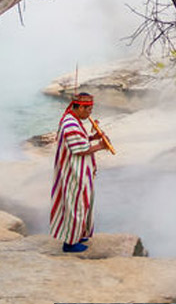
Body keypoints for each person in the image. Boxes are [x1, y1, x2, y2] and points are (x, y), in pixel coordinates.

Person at [50, 92, 108, 253]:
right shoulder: (70, 125)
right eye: (88, 109)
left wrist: (93, 137)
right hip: (74, 172)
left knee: (84, 203)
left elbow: (81, 141)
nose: (90, 113)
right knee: (76, 204)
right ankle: (70, 242)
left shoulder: (73, 120)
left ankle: (79, 233)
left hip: (80, 170)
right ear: (80, 107)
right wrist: (101, 146)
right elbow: (80, 149)